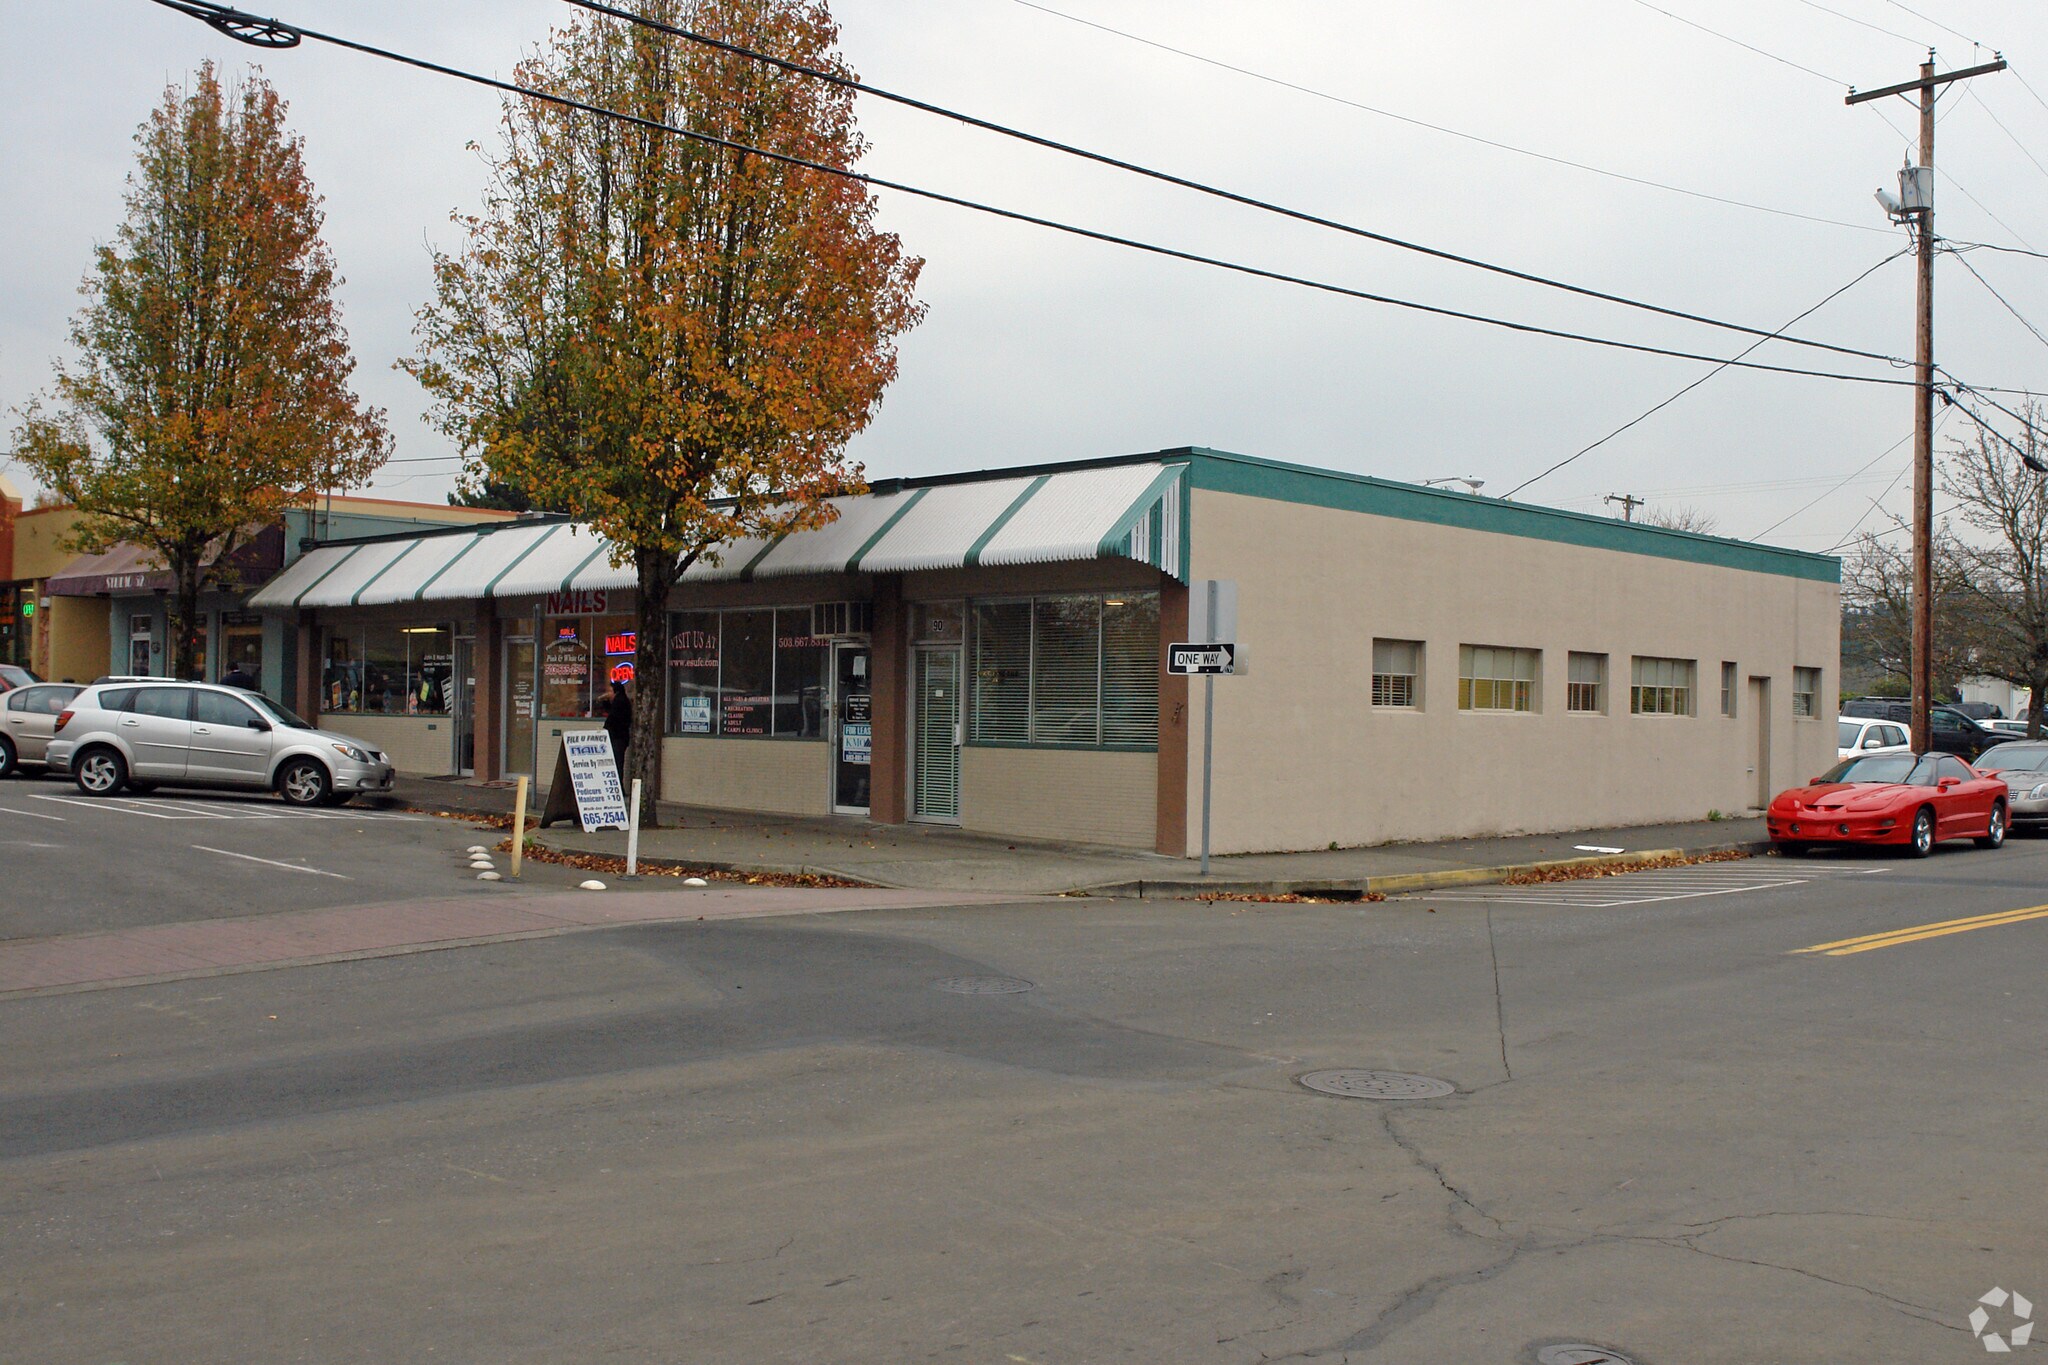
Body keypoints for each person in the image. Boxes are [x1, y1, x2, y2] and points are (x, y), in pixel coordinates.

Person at [603, 679, 633, 777]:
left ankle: (619, 784)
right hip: (620, 737)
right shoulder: (621, 701)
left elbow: (613, 718)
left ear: (616, 691)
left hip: (618, 737)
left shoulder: (619, 702)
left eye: (611, 691)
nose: (609, 693)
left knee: (617, 762)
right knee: (617, 762)